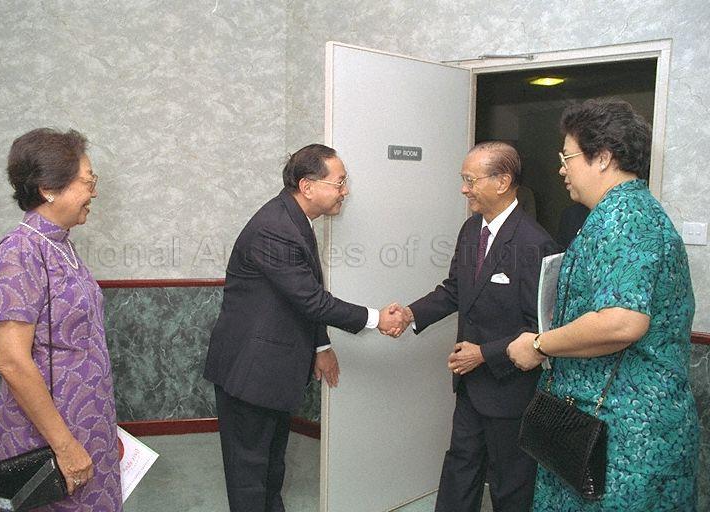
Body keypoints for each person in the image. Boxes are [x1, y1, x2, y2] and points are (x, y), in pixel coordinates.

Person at [507, 99, 699, 510]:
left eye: (568, 157)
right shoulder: (620, 213)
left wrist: (538, 345)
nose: (561, 169)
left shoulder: (624, 219)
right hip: (602, 428)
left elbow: (620, 323)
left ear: (604, 158)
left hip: (623, 440)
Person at [203, 144, 405, 512]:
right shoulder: (275, 229)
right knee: (249, 469)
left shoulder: (294, 219)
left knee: (271, 463)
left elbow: (296, 299)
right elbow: (312, 300)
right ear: (308, 186)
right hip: (250, 370)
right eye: (340, 182)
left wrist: (320, 347)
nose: (346, 191)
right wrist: (377, 319)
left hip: (271, 369)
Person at [395, 141, 558, 511]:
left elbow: (541, 329)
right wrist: (411, 314)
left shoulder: (536, 243)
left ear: (502, 181)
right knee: (459, 470)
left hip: (510, 389)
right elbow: (455, 290)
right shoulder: (471, 230)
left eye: (470, 179)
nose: (463, 188)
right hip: (470, 386)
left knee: (509, 484)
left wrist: (483, 354)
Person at [0, 128, 122, 511]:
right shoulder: (19, 252)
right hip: (49, 437)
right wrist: (65, 445)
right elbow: (11, 360)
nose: (93, 192)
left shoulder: (59, 244)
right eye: (87, 182)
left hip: (87, 426)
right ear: (48, 188)